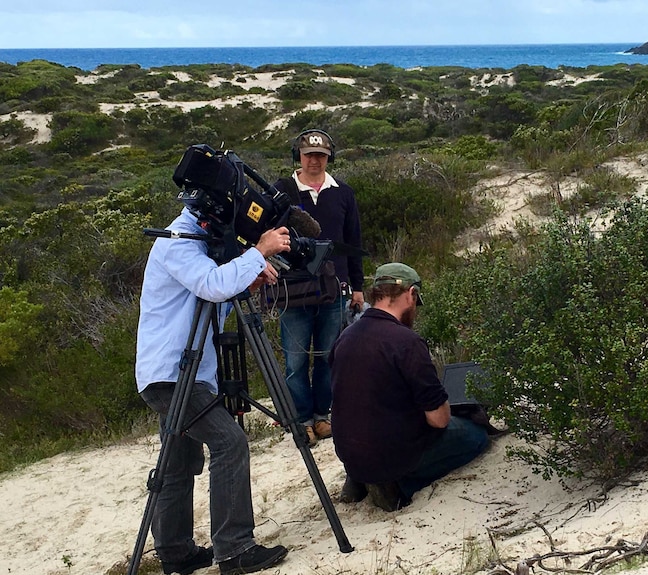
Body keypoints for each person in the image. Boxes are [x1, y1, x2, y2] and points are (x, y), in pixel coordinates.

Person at [135, 206, 291, 575]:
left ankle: (175, 553)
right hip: (174, 374)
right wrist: (259, 251)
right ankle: (234, 550)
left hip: (178, 374)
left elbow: (210, 291)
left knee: (177, 461)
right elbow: (212, 285)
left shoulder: (201, 239)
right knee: (229, 442)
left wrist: (246, 278)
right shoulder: (179, 240)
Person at [329, 263, 491, 512]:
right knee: (476, 436)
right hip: (394, 456)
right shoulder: (406, 341)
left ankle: (362, 479)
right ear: (410, 294)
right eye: (416, 301)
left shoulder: (345, 337)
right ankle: (400, 486)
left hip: (351, 457)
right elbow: (439, 420)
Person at [273, 129, 365, 447]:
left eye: (321, 155)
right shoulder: (281, 191)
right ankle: (301, 420)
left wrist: (358, 286)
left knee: (328, 356)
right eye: (309, 154)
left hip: (335, 289)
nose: (314, 160)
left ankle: (322, 416)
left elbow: (354, 241)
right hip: (293, 291)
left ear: (329, 158)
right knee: (296, 360)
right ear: (298, 156)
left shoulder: (344, 193)